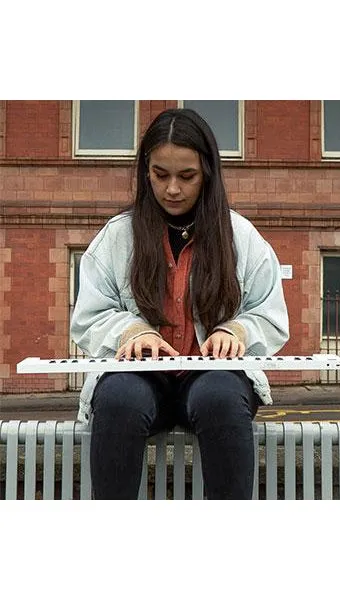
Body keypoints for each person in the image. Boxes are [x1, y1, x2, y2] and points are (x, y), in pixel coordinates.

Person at [70, 108, 289, 500]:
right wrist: (130, 329)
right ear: (145, 172)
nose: (172, 189)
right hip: (138, 377)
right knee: (119, 399)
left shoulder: (242, 236)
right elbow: (88, 315)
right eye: (160, 174)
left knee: (220, 397)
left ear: (208, 172)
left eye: (186, 176)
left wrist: (237, 329)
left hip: (213, 379)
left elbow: (270, 315)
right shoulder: (117, 236)